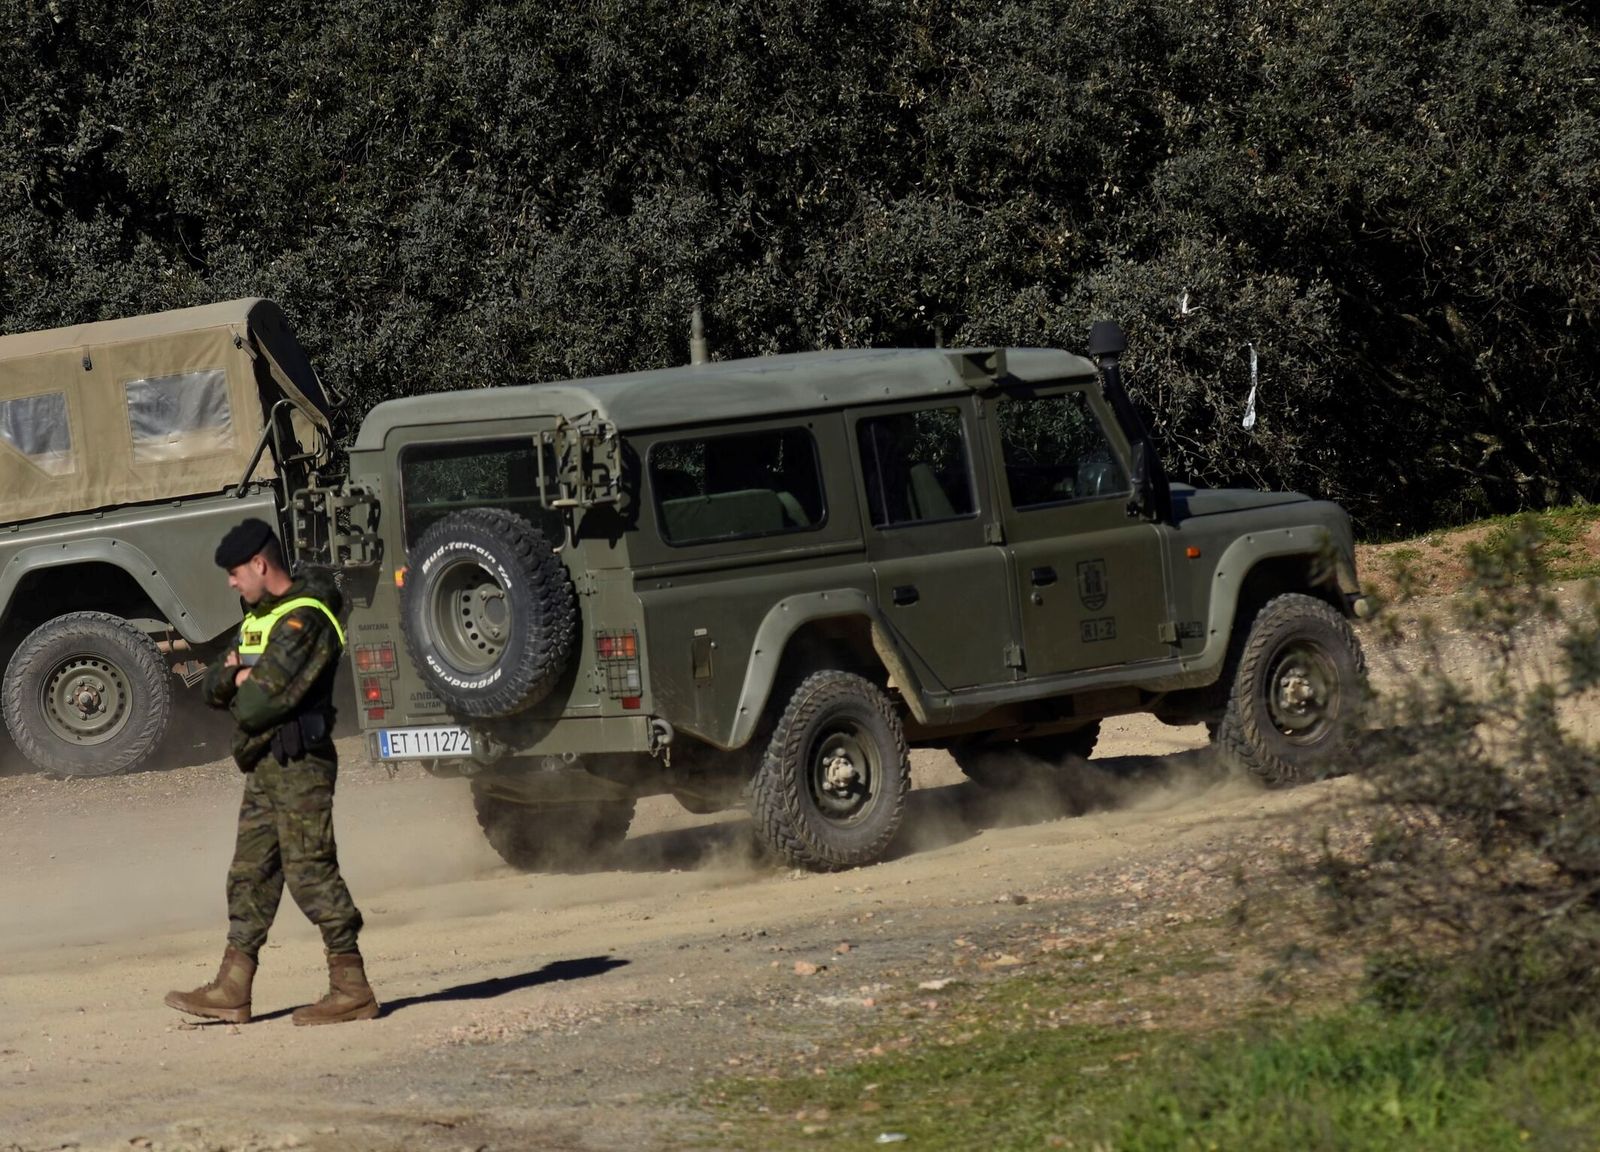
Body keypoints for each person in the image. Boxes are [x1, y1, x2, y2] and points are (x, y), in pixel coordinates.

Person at [164, 517, 379, 1026]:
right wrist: (238, 673)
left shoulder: (306, 618)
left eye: (236, 572)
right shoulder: (263, 617)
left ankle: (352, 986)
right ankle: (233, 986)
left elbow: (258, 703)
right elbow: (212, 685)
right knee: (249, 874)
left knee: (310, 872)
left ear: (261, 564)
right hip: (265, 764)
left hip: (300, 761)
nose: (231, 583)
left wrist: (243, 679)